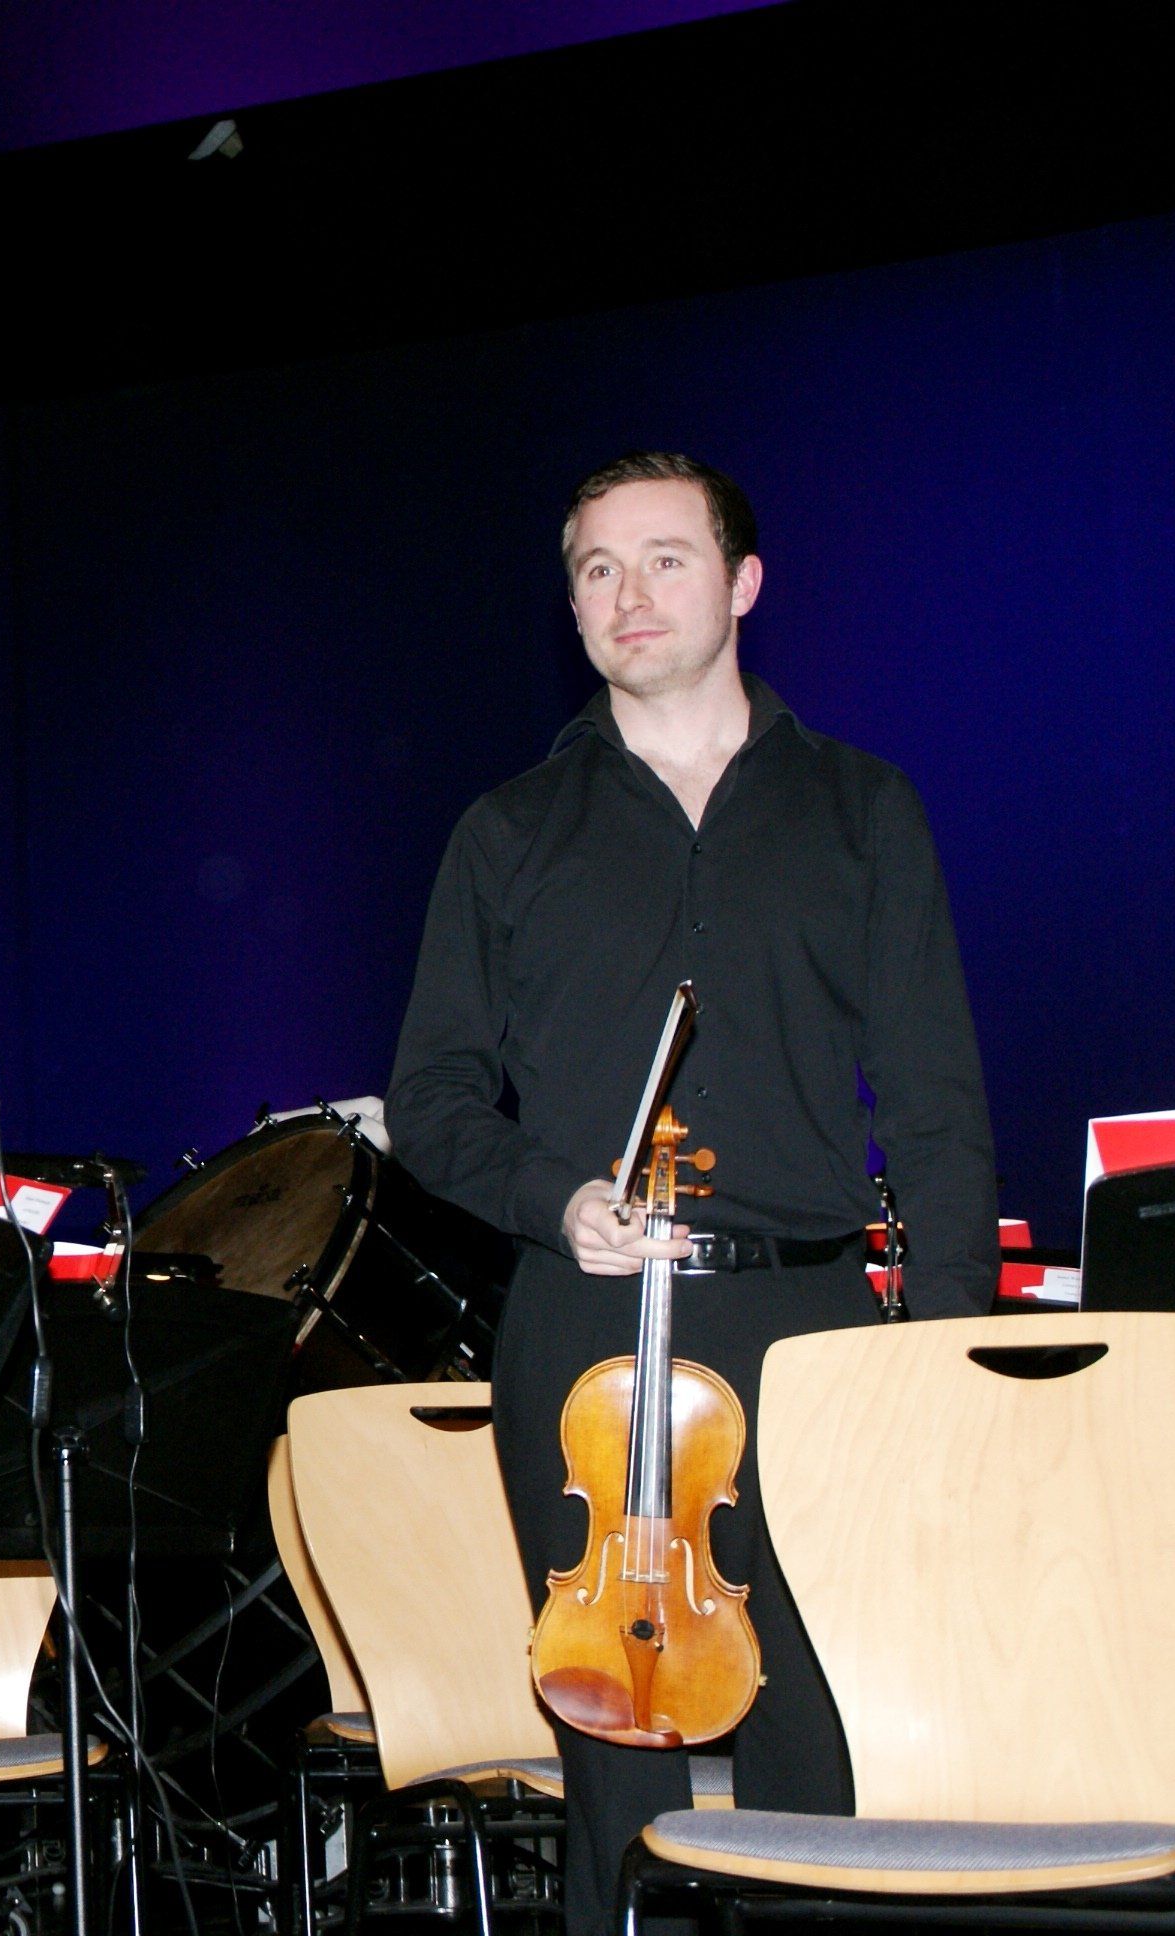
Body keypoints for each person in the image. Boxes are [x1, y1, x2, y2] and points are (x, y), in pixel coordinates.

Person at [384, 451, 996, 1935]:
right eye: (596, 569)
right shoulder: (509, 830)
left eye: (666, 558)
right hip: (588, 1323)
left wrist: (938, 1366)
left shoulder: (861, 810)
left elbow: (937, 1112)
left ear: (743, 583)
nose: (629, 593)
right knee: (615, 1758)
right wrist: (555, 1197)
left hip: (808, 1330)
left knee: (818, 1740)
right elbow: (433, 1103)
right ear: (572, 606)